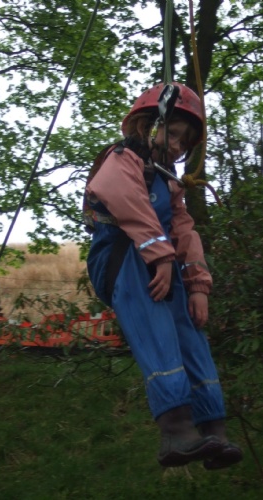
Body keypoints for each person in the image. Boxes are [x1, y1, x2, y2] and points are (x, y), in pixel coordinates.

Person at [83, 82, 242, 469]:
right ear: (149, 125)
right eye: (172, 134)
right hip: (123, 259)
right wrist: (160, 255)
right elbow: (123, 197)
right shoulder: (123, 159)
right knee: (156, 329)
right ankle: (175, 428)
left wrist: (198, 286)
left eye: (184, 142)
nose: (176, 146)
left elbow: (184, 231)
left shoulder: (168, 182)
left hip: (159, 261)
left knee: (190, 334)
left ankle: (212, 427)